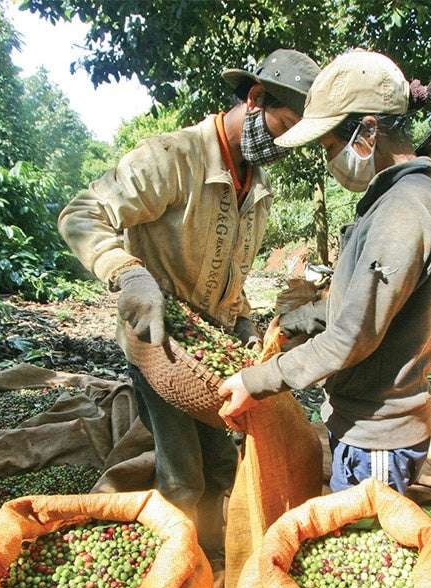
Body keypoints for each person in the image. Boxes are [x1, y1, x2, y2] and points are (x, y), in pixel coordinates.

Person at [57, 49, 321, 559]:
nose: (286, 144)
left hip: (208, 351)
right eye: (284, 126)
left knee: (222, 467)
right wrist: (131, 276)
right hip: (161, 345)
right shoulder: (173, 158)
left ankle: (214, 551)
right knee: (183, 475)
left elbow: (232, 271)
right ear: (256, 97)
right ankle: (179, 566)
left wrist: (242, 320)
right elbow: (82, 213)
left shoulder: (259, 187)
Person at [219, 49, 431, 495]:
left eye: (331, 147)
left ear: (368, 131)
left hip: (379, 436)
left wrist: (256, 381)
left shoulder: (402, 213)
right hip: (361, 424)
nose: (330, 161)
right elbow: (354, 301)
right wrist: (296, 322)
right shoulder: (390, 201)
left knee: (362, 552)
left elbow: (352, 335)